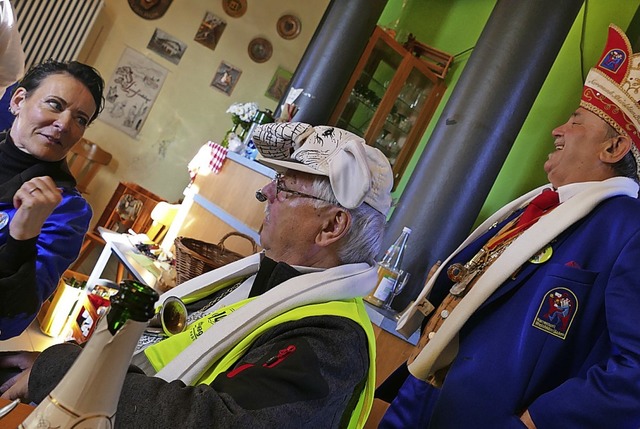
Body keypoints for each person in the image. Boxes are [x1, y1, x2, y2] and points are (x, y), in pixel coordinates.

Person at [0, 122, 394, 428]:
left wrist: (63, 372)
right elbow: (161, 348)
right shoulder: (267, 279)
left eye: (286, 189)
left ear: (331, 227)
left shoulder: (332, 341)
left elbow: (215, 422)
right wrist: (64, 367)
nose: (266, 195)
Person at [378, 24, 640, 428]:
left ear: (614, 147)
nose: (558, 130)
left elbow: (634, 370)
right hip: (424, 392)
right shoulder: (543, 204)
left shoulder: (628, 228)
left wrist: (538, 421)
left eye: (576, 122)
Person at [0, 59, 104, 340]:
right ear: (19, 100)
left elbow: (9, 321)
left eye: (80, 119)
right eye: (55, 105)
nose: (64, 124)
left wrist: (22, 239)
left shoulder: (67, 209)